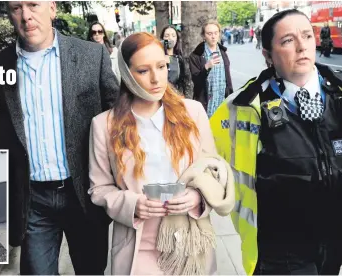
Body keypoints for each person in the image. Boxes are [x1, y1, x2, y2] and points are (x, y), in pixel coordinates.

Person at [209, 9, 342, 275]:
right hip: (278, 248)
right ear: (267, 55)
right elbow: (206, 159)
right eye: (287, 40)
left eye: (307, 35)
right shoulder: (242, 108)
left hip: (334, 240)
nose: (302, 46)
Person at [0, 2, 119, 275]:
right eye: (17, 7)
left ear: (52, 8)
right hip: (33, 202)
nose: (26, 15)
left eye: (33, 4)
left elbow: (119, 120)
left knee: (91, 270)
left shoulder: (91, 56)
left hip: (84, 194)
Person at [88, 32, 234, 275]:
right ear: (126, 74)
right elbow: (99, 188)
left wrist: (198, 196)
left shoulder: (193, 112)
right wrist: (131, 205)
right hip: (137, 244)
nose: (157, 79)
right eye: (143, 71)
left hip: (189, 240)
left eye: (162, 66)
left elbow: (213, 169)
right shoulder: (104, 125)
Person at [189, 20, 234, 118]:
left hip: (222, 101)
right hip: (206, 102)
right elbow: (196, 81)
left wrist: (230, 95)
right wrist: (206, 67)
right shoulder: (196, 55)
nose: (213, 36)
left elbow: (228, 79)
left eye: (216, 33)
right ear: (203, 36)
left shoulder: (223, 52)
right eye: (209, 33)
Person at [160, 25, 186, 94]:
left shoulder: (179, 59)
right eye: (167, 36)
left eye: (173, 36)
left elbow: (183, 82)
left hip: (176, 96)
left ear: (177, 39)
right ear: (162, 38)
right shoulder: (158, 57)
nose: (170, 38)